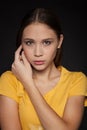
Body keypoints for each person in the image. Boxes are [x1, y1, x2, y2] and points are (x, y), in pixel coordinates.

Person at [0, 7, 87, 130]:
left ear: (59, 41)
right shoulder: (9, 80)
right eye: (29, 42)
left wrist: (28, 84)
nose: (38, 52)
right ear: (21, 44)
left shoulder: (76, 80)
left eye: (46, 42)